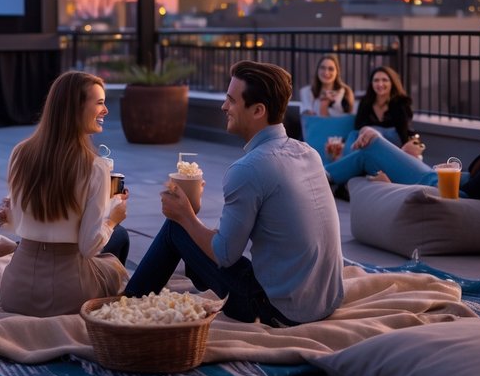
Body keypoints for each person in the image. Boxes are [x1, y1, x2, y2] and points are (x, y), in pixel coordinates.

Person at [124, 61, 345, 326]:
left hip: (278, 310)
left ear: (258, 111)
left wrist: (184, 216)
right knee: (193, 234)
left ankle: (124, 308)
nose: (223, 106)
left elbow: (224, 254)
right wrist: (191, 216)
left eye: (231, 100)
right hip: (326, 301)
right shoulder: (308, 153)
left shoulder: (249, 168)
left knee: (176, 230)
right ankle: (132, 302)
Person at [0, 71, 131, 317]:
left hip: (15, 293)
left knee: (0, 267)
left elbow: (19, 223)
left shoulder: (19, 153)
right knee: (118, 246)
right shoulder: (95, 167)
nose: (106, 110)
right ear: (75, 108)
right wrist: (113, 217)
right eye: (99, 102)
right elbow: (89, 247)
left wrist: (10, 213)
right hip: (69, 295)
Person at [324, 87, 480, 200]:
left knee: (372, 144)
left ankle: (321, 178)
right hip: (436, 178)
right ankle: (326, 178)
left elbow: (466, 199)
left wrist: (396, 187)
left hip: (433, 184)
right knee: (366, 142)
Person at [349, 65, 419, 155]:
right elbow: (358, 127)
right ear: (371, 83)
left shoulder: (400, 103)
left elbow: (404, 133)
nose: (380, 84)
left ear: (392, 83)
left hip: (395, 153)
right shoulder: (365, 102)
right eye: (376, 80)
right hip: (371, 152)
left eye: (384, 80)